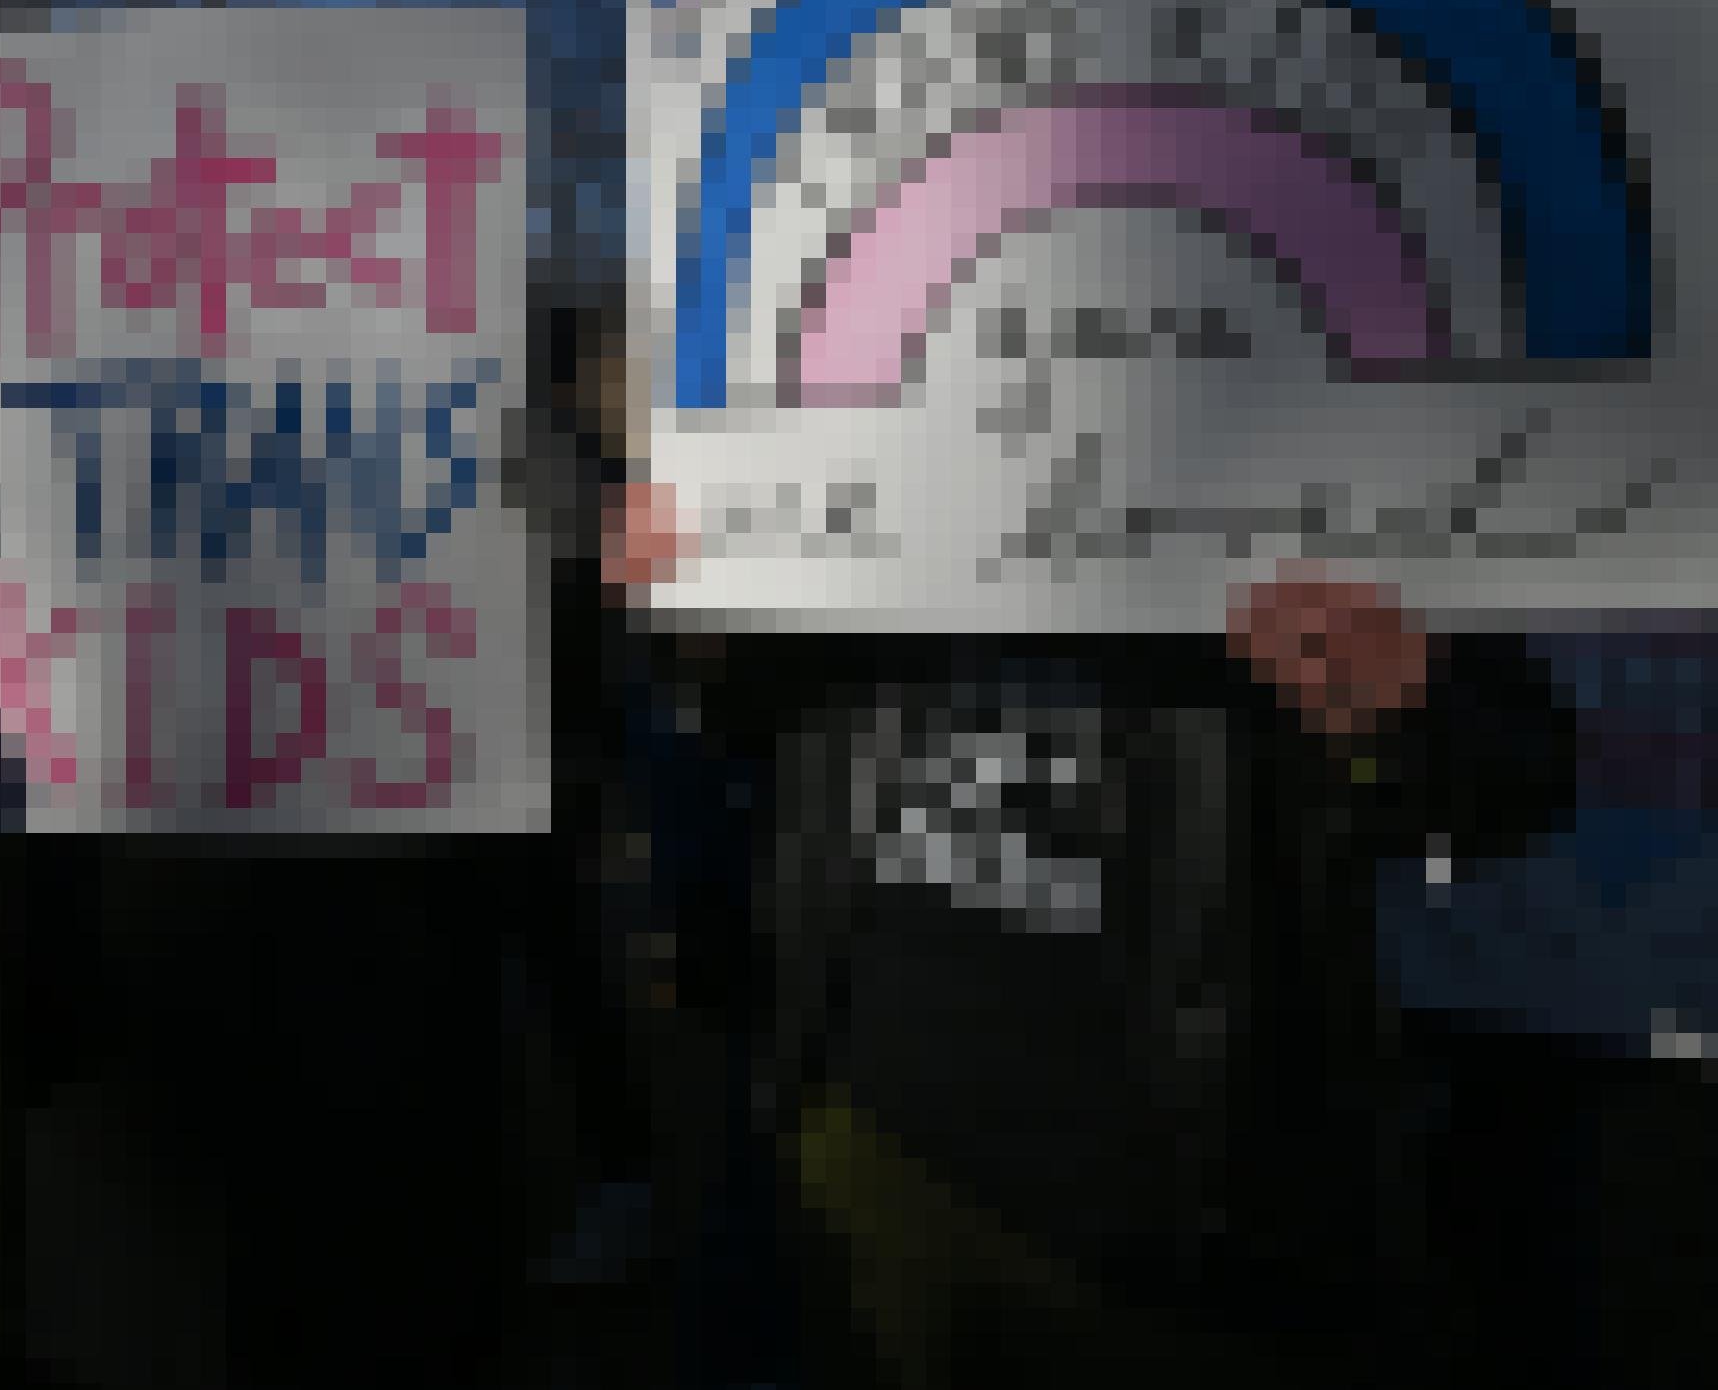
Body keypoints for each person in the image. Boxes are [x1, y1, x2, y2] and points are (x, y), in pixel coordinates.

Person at [608, 481, 1588, 1387]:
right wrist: (695, 622)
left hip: (1179, 1198)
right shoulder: (858, 429)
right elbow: (759, 716)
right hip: (866, 1134)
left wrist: (1398, 710)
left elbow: (1515, 770)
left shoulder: (1308, 432)